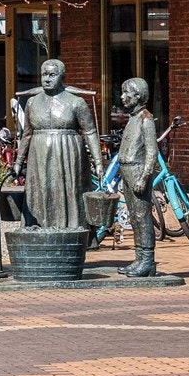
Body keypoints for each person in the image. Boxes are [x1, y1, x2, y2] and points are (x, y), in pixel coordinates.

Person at [17, 59, 104, 230]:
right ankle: (39, 229)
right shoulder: (32, 103)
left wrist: (99, 162)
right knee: (41, 192)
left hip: (68, 155)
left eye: (52, 75)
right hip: (39, 156)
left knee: (68, 192)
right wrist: (18, 161)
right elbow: (26, 134)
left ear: (61, 77)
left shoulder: (76, 102)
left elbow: (90, 132)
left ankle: (70, 230)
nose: (47, 79)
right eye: (44, 75)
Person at [115, 77, 161, 278]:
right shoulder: (133, 118)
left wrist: (144, 176)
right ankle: (139, 258)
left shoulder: (146, 119)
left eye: (128, 94)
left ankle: (148, 261)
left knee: (142, 217)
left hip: (137, 171)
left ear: (139, 96)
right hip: (127, 171)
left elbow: (152, 151)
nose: (123, 97)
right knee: (134, 217)